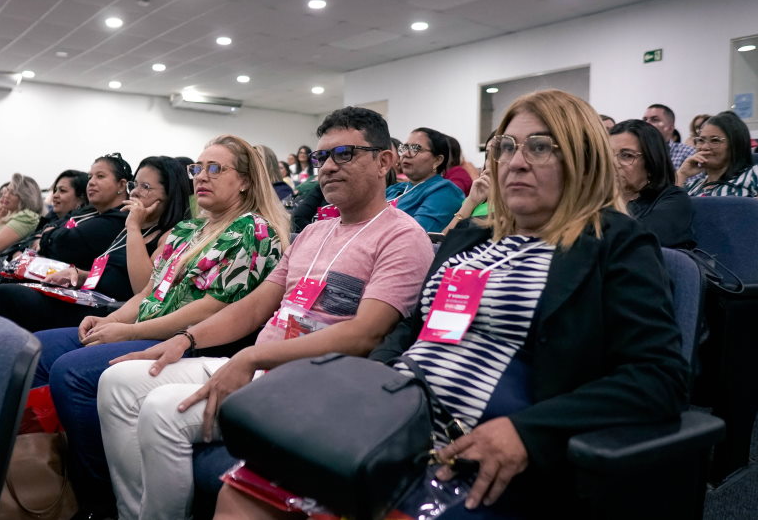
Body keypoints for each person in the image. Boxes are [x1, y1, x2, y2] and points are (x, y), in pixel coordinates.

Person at [216, 89, 690, 519]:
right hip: (393, 421)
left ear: (583, 160)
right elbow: (412, 328)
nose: (515, 163)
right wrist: (372, 383)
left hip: (476, 450)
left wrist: (531, 432)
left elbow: (658, 377)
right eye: (505, 147)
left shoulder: (614, 242)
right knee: (242, 494)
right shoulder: (470, 237)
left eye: (540, 147)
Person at [98, 106, 434, 519]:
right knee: (117, 382)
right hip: (264, 367)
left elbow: (365, 334)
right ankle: (132, 512)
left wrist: (252, 357)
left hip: (315, 383)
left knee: (162, 410)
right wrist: (185, 339)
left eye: (343, 154)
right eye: (322, 156)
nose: (328, 167)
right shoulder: (314, 232)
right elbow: (255, 306)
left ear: (384, 161)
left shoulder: (402, 236)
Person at [33, 136, 289, 518]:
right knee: (39, 350)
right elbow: (149, 293)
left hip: (194, 341)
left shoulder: (253, 230)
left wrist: (131, 332)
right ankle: (47, 475)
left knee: (72, 373)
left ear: (245, 181)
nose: (201, 176)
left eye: (215, 169)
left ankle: (99, 500)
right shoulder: (188, 230)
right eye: (197, 168)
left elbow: (213, 307)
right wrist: (110, 321)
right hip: (147, 326)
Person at [0, 157, 191, 331]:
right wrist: (79, 274)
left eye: (145, 187)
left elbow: (142, 289)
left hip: (107, 311)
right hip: (85, 295)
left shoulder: (166, 235)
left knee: (6, 296)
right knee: (7, 286)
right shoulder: (136, 226)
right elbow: (109, 271)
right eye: (135, 184)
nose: (135, 192)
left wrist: (134, 227)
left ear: (169, 195)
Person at [609, 120, 695, 247]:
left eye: (627, 155)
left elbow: (638, 240)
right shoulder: (599, 200)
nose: (613, 163)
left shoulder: (674, 199)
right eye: (608, 154)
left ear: (651, 161)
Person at [386, 128, 465, 232]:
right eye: (405, 148)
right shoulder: (395, 188)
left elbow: (415, 234)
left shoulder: (444, 191)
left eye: (416, 149)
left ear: (437, 160)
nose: (406, 154)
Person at [676, 110, 758, 197]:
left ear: (735, 145)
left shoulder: (753, 175)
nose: (704, 147)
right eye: (701, 140)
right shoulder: (692, 186)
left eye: (715, 140)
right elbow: (670, 203)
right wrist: (681, 174)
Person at [643, 103, 695, 172]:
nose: (647, 123)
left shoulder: (687, 152)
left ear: (670, 128)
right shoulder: (636, 152)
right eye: (645, 120)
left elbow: (695, 178)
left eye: (655, 119)